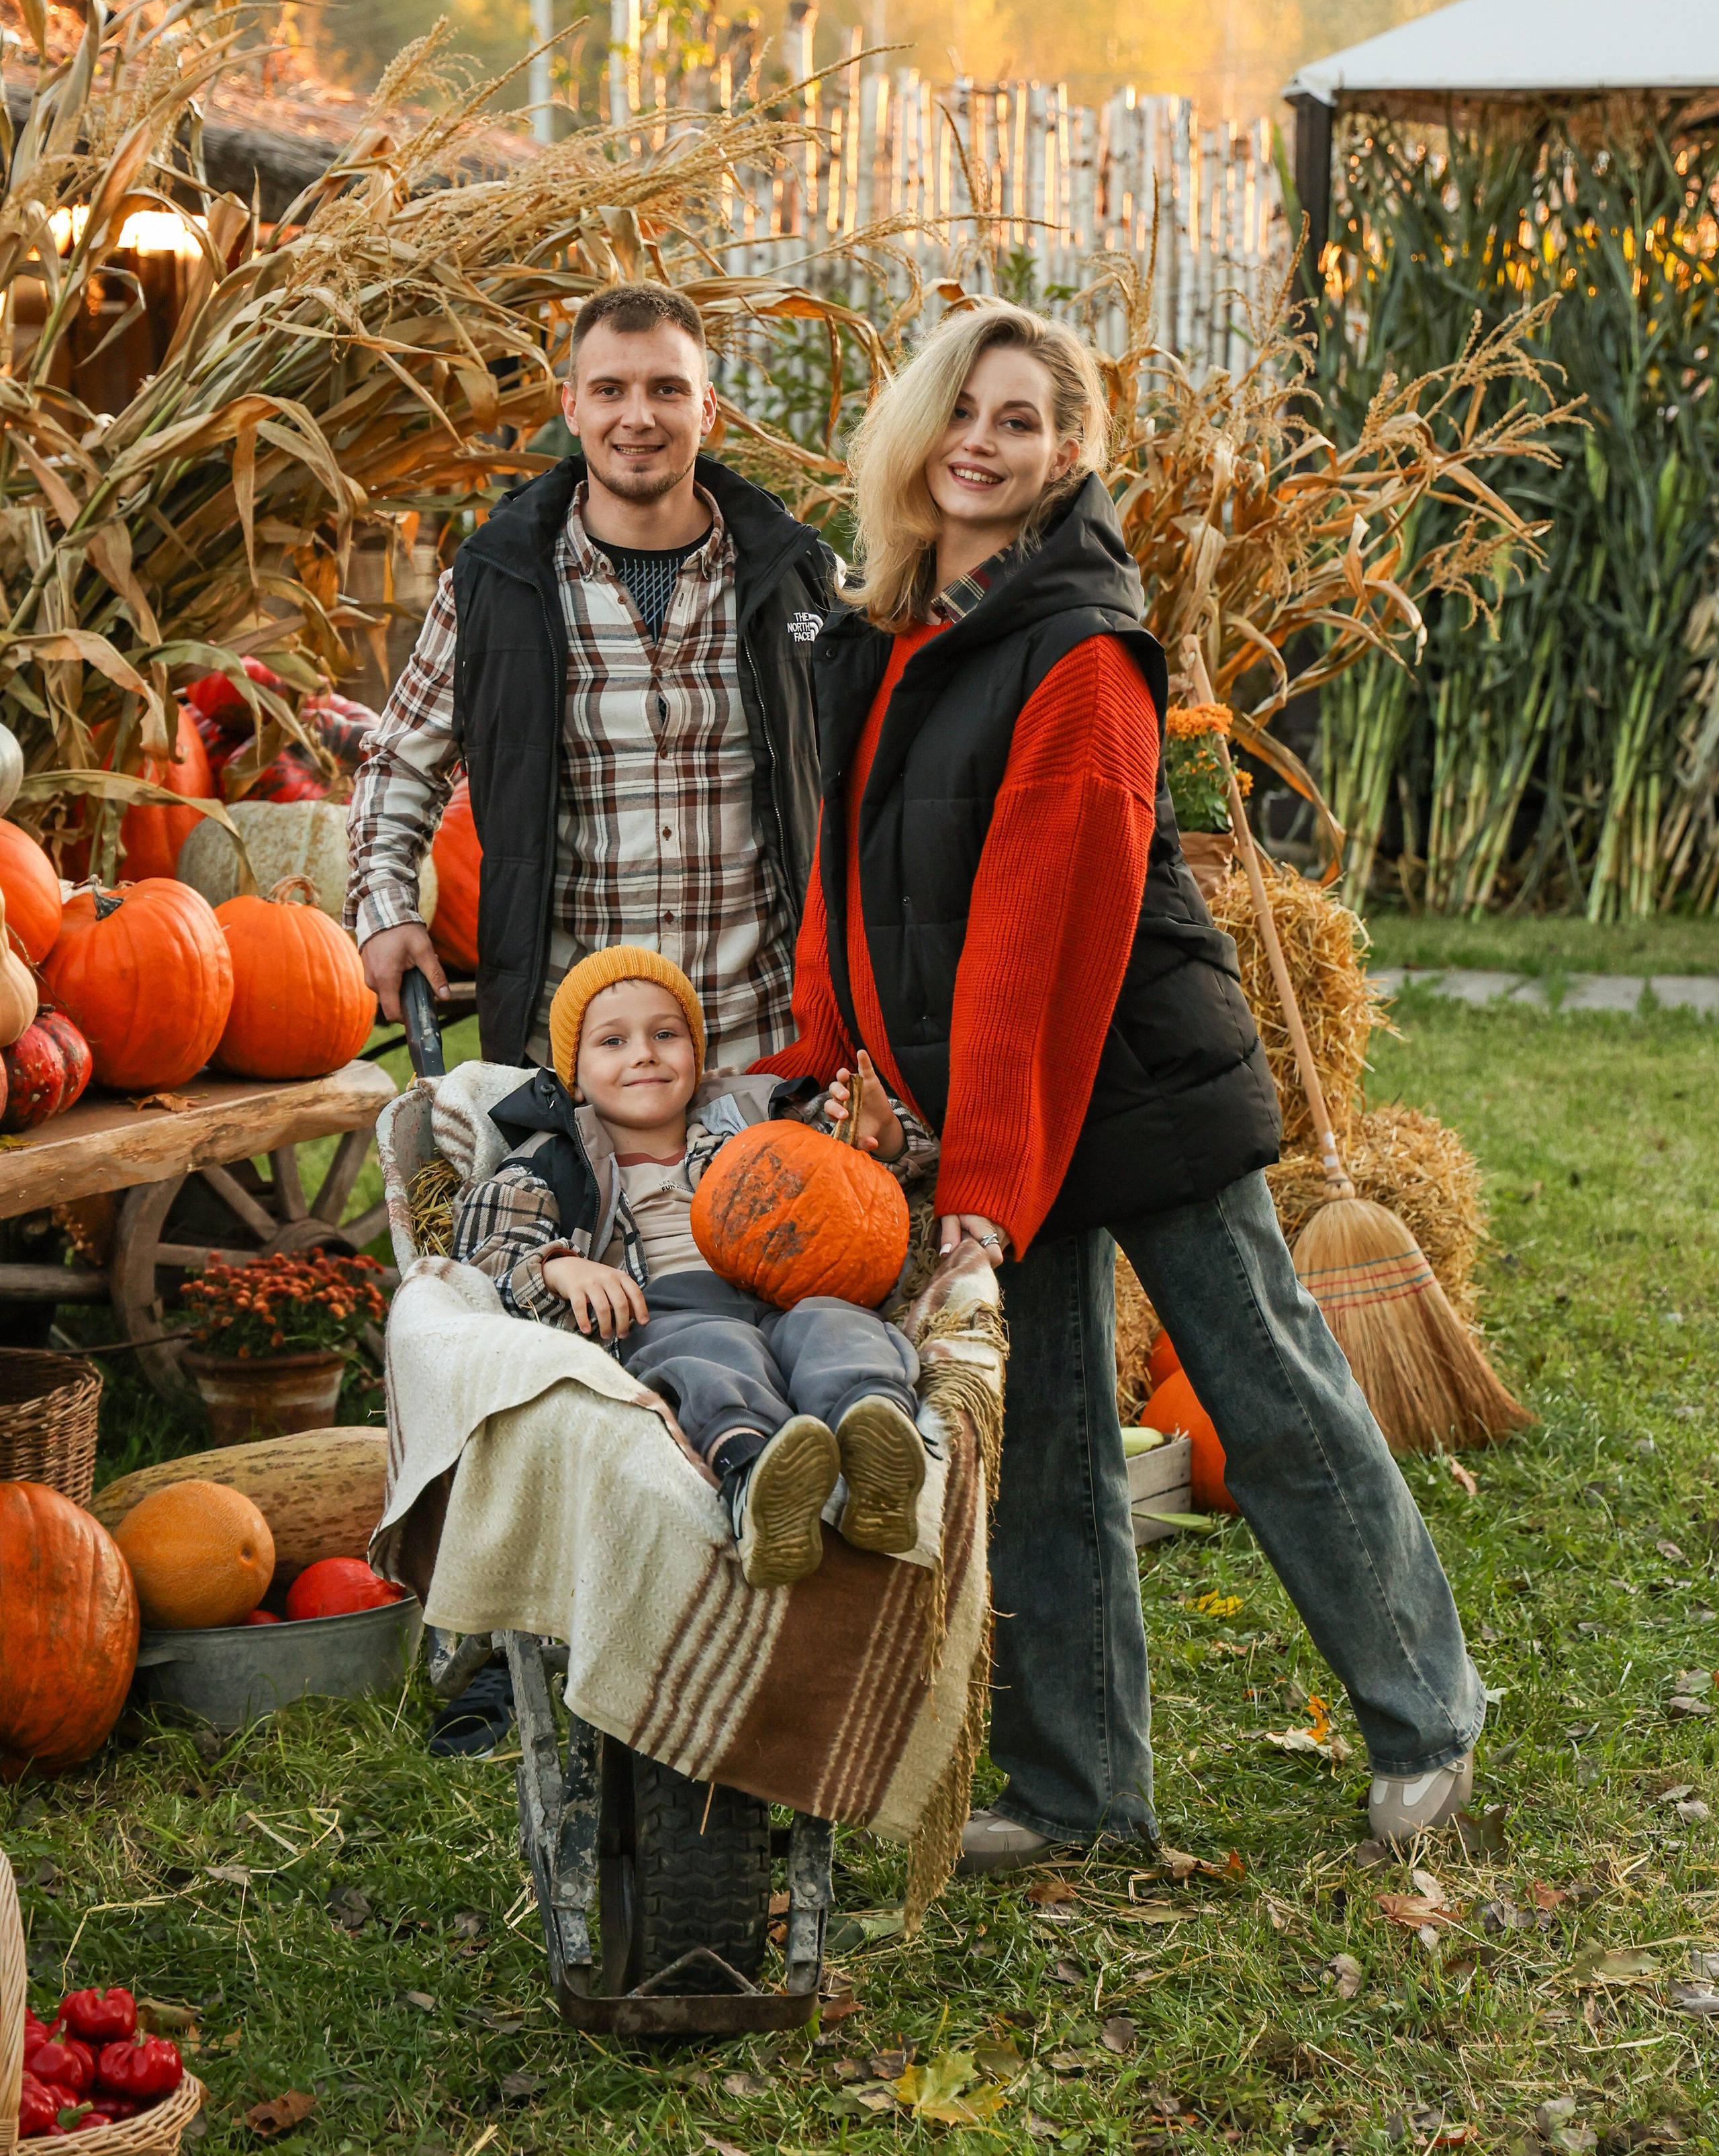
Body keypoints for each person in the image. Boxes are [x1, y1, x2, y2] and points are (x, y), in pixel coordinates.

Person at [752, 298, 1485, 1868]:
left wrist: (983, 1194)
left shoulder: (1079, 650)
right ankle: (1080, 1794)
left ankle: (1426, 1716)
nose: (982, 442)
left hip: (1130, 1077)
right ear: (915, 427)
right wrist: (828, 1059)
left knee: (1268, 1392)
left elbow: (1033, 953)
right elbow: (840, 874)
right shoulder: (880, 629)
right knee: (1052, 1442)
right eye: (962, 409)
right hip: (983, 1094)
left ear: (1069, 451)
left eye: (1020, 420)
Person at [346, 281, 836, 1072]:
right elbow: (399, 764)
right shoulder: (492, 588)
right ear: (572, 407)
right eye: (610, 390)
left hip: (764, 1047)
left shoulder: (797, 579)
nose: (637, 417)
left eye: (666, 389)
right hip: (575, 1061)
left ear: (706, 408)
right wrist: (385, 910)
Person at [448, 946, 933, 1588]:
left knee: (837, 1321)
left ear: (696, 1057)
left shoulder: (756, 1118)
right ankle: (758, 1477)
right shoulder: (551, 1161)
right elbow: (487, 1254)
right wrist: (562, 1267)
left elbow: (872, 1189)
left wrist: (881, 1134)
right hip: (667, 1310)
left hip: (790, 1292)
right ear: (573, 1074)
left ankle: (874, 1438)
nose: (644, 1053)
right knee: (713, 1348)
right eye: (613, 1041)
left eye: (666, 1034)